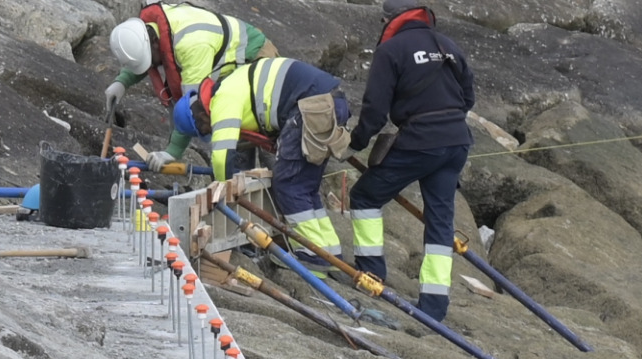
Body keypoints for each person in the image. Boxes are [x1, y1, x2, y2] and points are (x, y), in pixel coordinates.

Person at [344, 0, 474, 323]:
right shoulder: (448, 46)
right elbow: (468, 96)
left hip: (420, 141)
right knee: (440, 222)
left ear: (388, 19)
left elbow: (374, 110)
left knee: (365, 196)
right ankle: (433, 306)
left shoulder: (391, 50)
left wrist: (355, 143)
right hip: (457, 141)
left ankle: (371, 271)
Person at [173, 57, 351, 273]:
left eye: (203, 127)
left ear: (199, 113)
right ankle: (329, 255)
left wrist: (223, 193)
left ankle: (311, 258)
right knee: (305, 188)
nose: (208, 130)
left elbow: (221, 156)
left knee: (288, 185)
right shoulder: (232, 86)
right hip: (329, 101)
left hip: (312, 105)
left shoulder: (222, 99)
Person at [104, 2, 277, 172]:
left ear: (155, 43)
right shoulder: (152, 31)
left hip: (255, 59)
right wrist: (122, 82)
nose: (152, 67)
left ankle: (270, 185)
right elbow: (146, 54)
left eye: (150, 61)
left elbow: (194, 105)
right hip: (230, 67)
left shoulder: (191, 45)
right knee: (235, 142)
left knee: (252, 132)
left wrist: (172, 151)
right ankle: (240, 186)